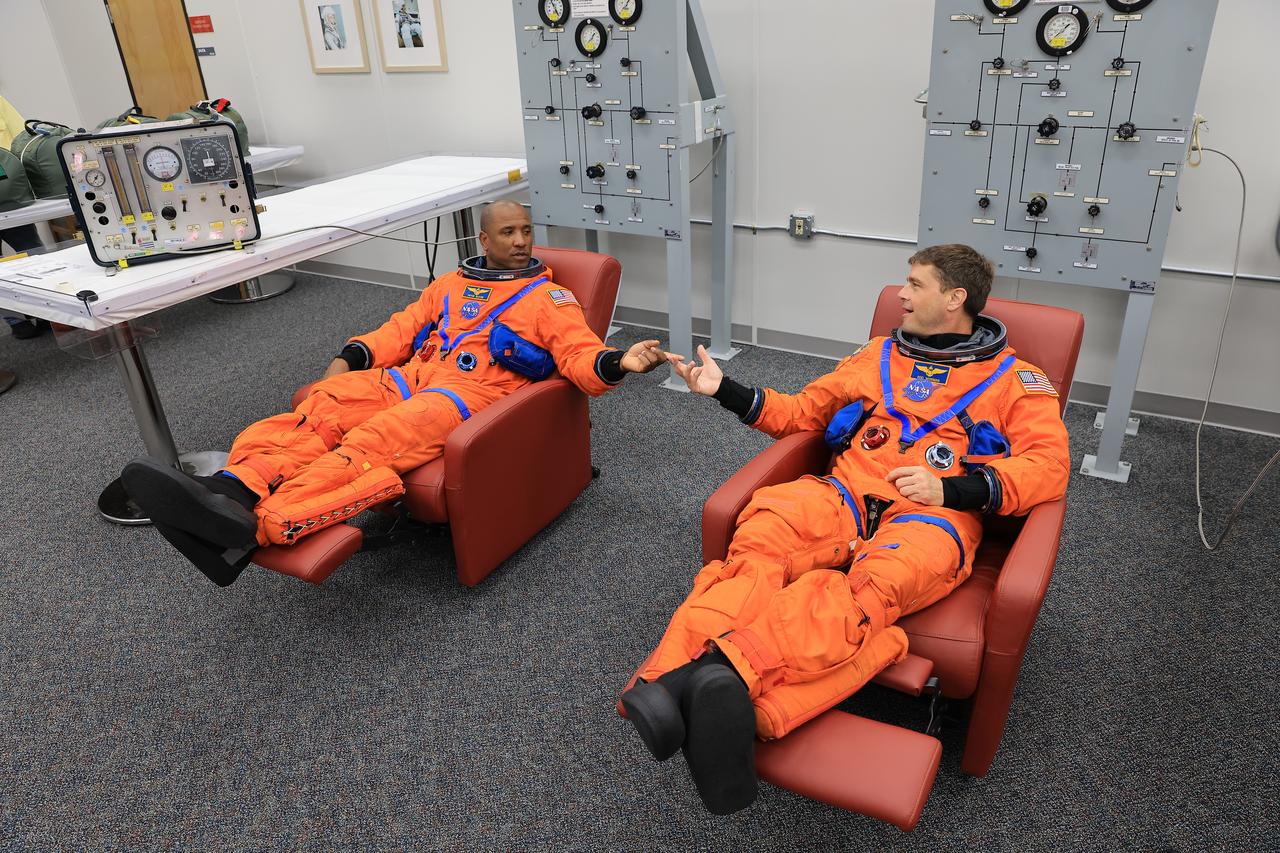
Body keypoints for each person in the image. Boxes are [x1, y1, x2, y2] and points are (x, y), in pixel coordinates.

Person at [620, 244, 1070, 814]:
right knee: (763, 532)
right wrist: (723, 390)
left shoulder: (1018, 380)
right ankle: (669, 682)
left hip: (932, 516)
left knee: (871, 587)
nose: (901, 296)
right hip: (846, 496)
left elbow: (1049, 468)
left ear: (956, 298)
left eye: (915, 285)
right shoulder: (877, 357)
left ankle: (710, 677)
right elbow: (801, 412)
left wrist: (950, 489)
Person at [122, 201, 667, 586]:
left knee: (374, 440)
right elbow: (401, 328)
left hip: (465, 396)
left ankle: (261, 525)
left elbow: (578, 354)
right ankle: (233, 489)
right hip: (408, 378)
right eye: (508, 233)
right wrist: (353, 356)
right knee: (320, 409)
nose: (522, 241)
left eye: (526, 230)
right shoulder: (450, 285)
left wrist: (619, 361)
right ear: (484, 240)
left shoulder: (549, 297)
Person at [0, 91, 48, 339]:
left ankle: (47, 311)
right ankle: (15, 319)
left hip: (9, 193)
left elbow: (21, 136)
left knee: (32, 252)